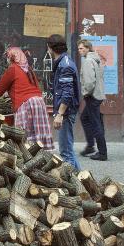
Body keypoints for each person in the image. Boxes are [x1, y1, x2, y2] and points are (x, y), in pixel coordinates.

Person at [0, 47, 54, 150]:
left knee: (23, 137)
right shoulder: (28, 68)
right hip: (39, 103)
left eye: (8, 57)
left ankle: (27, 159)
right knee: (39, 136)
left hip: (26, 104)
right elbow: (30, 86)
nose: (7, 59)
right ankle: (42, 157)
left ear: (12, 58)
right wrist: (10, 92)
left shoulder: (13, 69)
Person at [47, 34, 81, 170]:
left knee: (66, 153)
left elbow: (67, 93)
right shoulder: (64, 61)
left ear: (50, 48)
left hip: (65, 113)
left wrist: (60, 114)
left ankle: (74, 187)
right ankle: (83, 183)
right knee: (69, 150)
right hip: (66, 111)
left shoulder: (64, 65)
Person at [77, 39, 107, 160]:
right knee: (85, 117)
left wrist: (85, 93)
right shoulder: (96, 59)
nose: (80, 51)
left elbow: (89, 82)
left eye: (82, 48)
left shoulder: (88, 61)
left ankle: (102, 153)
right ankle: (90, 146)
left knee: (96, 124)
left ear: (88, 48)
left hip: (92, 96)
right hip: (97, 95)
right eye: (79, 49)